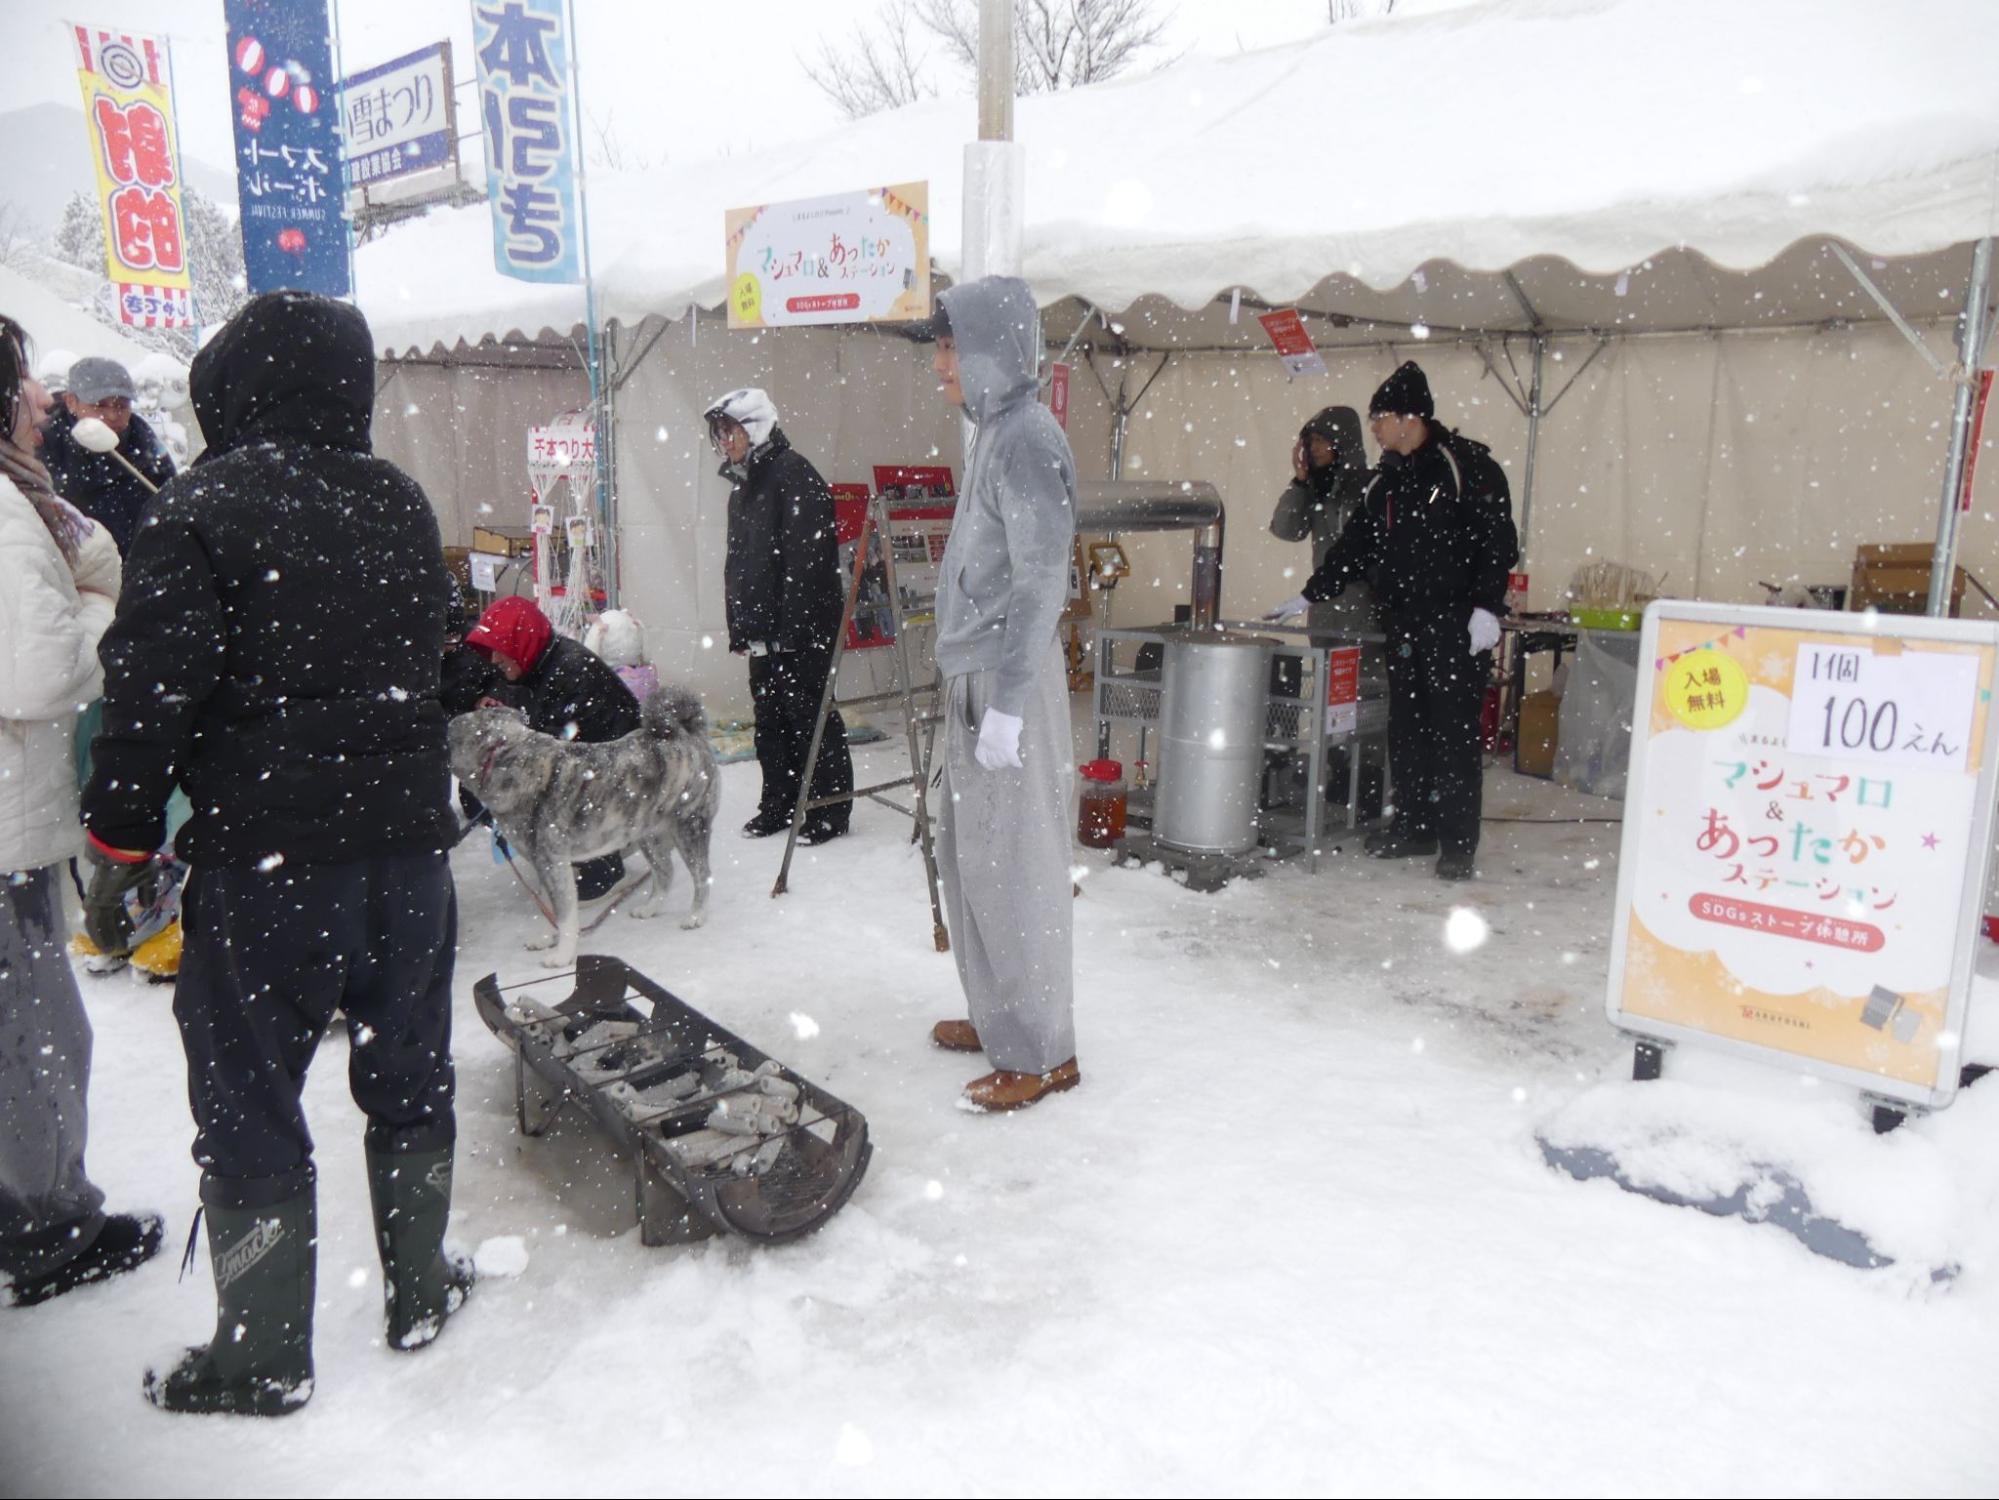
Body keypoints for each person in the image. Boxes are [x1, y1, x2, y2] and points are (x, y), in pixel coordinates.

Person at [81, 291, 469, 1415]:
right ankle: (420, 1288)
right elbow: (438, 660)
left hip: (270, 867)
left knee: (250, 1097)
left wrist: (119, 830)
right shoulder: (398, 500)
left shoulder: (204, 505)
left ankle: (262, 1352)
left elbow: (148, 690)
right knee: (411, 1076)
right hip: (407, 857)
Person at [0, 314, 163, 1308]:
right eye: (23, 382)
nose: (40, 398)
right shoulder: (9, 509)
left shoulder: (37, 499)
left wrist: (85, 559)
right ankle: (50, 1229)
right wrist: (101, 607)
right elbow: (44, 668)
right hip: (7, 830)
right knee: (37, 1036)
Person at [919, 277, 1080, 1112]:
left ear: (987, 351)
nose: (939, 364)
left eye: (949, 347)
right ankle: (999, 1015)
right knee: (971, 857)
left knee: (1016, 864)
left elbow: (1040, 581)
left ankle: (1043, 1049)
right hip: (975, 675)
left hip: (1004, 679)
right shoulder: (992, 432)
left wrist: (1010, 703)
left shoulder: (1024, 441)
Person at [1270, 361, 1518, 881]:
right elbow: (1355, 547)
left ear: (1408, 417)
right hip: (1404, 623)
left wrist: (1486, 608)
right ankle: (1414, 825)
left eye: (1379, 417)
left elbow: (1498, 543)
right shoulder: (1386, 479)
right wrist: (1309, 593)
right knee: (1408, 730)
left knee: (1452, 734)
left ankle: (1456, 843)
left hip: (1455, 624)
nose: (1375, 428)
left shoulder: (1465, 467)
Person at [708, 388, 853, 845]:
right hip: (763, 633)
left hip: (800, 632)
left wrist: (795, 629)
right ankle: (780, 804)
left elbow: (807, 563)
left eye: (729, 432)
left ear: (754, 428)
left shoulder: (795, 476)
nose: (724, 443)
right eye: (719, 435)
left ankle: (828, 811)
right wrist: (741, 625)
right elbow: (741, 564)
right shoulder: (743, 489)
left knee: (811, 718)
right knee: (770, 722)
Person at [462, 593, 641, 898]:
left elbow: (565, 743)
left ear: (521, 643)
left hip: (618, 771)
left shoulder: (570, 671)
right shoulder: (533, 666)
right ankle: (585, 851)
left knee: (552, 786)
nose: (495, 660)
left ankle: (604, 867)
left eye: (501, 650)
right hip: (594, 761)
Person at [40, 355, 176, 558]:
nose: (112, 415)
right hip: (77, 566)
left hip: (139, 563)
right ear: (71, 402)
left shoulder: (143, 442)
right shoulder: (45, 442)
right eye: (99, 405)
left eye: (121, 406)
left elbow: (169, 497)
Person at [1269, 405, 1373, 634]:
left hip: (1366, 612)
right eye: (1310, 441)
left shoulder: (1369, 487)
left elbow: (1356, 548)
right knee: (1323, 669)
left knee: (1365, 670)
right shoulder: (1314, 486)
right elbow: (1286, 530)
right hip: (1324, 607)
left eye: (1321, 440)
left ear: (1342, 443)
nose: (1314, 448)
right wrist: (1300, 482)